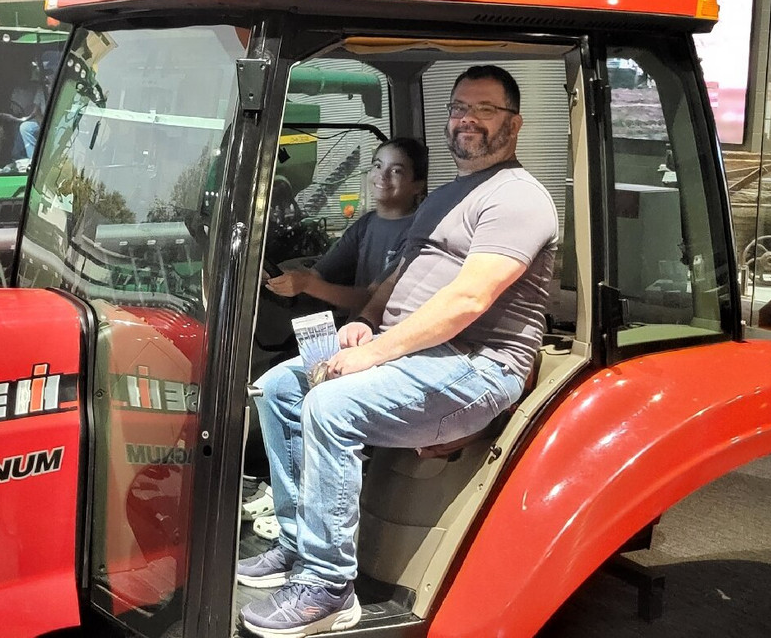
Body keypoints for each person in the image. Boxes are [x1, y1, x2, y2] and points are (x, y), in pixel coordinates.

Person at [237, 65, 558, 638]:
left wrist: (376, 351)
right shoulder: (443, 198)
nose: (467, 120)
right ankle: (295, 543)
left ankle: (329, 586)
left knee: (330, 406)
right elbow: (399, 275)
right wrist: (363, 320)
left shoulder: (518, 197)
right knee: (282, 388)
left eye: (484, 109)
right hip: (418, 354)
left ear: (514, 122)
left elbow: (468, 299)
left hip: (478, 365)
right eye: (459, 108)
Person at [265, 137, 429, 313]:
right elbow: (319, 272)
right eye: (378, 165)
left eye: (396, 171)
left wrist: (306, 284)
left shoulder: (419, 232)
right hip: (357, 330)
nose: (382, 175)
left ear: (418, 186)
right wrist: (273, 277)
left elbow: (372, 299)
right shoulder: (366, 224)